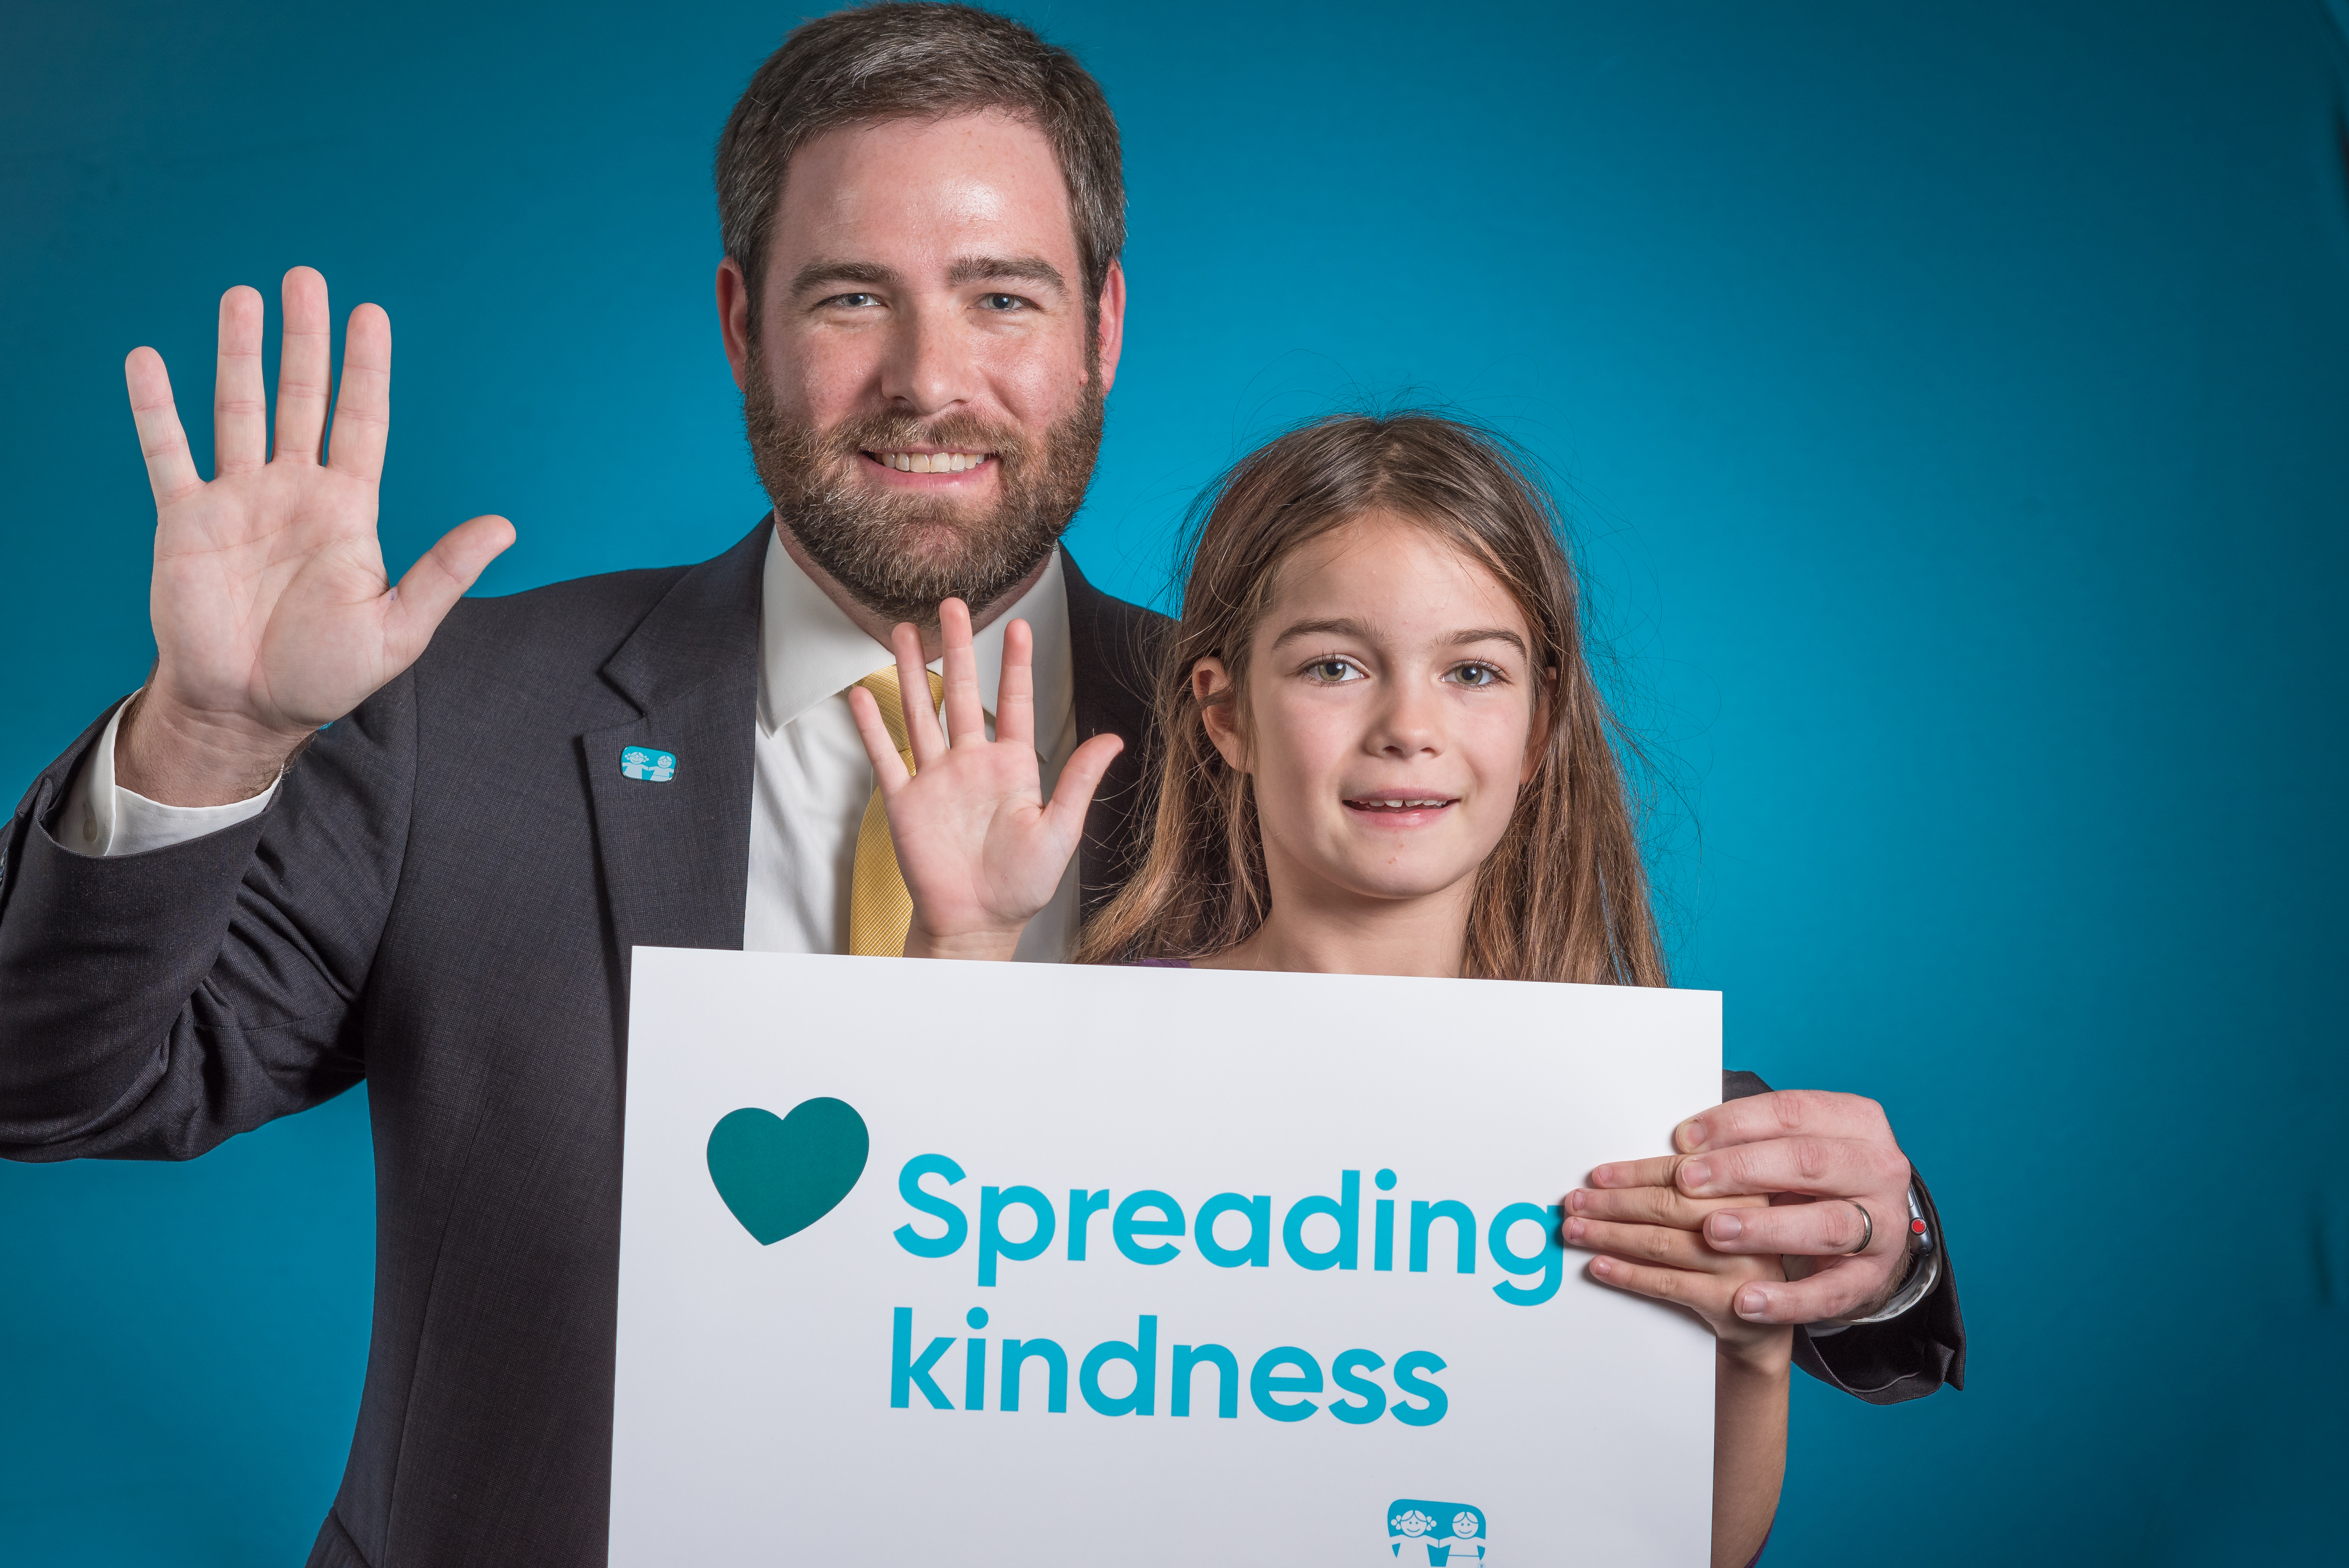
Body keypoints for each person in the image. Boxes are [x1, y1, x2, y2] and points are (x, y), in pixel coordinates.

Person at [0, 5, 1957, 1564]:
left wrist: (1855, 1237)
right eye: (853, 295)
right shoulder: (460, 710)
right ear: (740, 322)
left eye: (1005, 297)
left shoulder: (1269, 722)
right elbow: (60, 1087)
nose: (931, 377)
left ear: (1102, 331)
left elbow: (1535, 1080)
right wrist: (213, 736)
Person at [850, 412, 1824, 1566]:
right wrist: (962, 946)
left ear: (1541, 719)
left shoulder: (1624, 1115)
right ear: (1225, 713)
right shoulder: (1106, 1057)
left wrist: (1756, 1352)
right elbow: (908, 1371)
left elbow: (1683, 1544)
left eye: (1473, 672)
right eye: (1334, 667)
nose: (1408, 728)